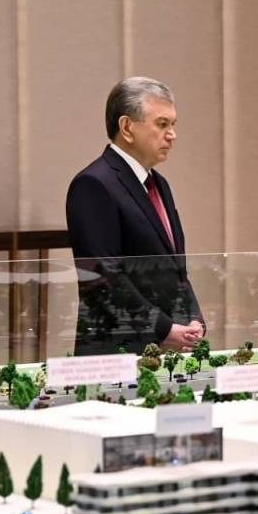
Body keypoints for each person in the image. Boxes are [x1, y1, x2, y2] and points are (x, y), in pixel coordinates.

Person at [66, 76, 204, 355]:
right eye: (162, 124)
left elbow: (176, 269)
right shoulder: (93, 184)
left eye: (173, 125)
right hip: (117, 351)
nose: (172, 135)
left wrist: (193, 318)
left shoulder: (159, 184)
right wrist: (162, 328)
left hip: (165, 348)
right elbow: (103, 278)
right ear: (127, 127)